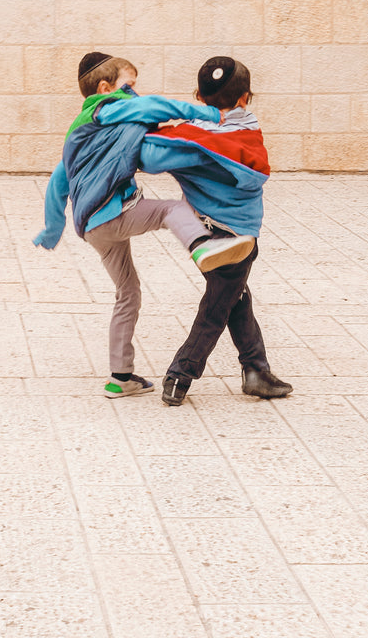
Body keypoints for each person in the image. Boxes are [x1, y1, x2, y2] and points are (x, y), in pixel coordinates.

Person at [33, 51, 255, 398]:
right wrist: (206, 113)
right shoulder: (109, 107)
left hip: (93, 228)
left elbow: (57, 183)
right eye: (130, 85)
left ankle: (120, 378)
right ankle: (203, 245)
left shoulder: (79, 133)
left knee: (127, 293)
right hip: (116, 212)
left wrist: (51, 230)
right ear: (106, 88)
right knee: (169, 210)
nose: (134, 92)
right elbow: (151, 107)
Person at [137, 55, 293, 407]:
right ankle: (181, 375)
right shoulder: (248, 130)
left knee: (234, 295)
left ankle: (256, 370)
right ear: (245, 98)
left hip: (202, 237)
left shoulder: (191, 139)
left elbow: (149, 157)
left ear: (198, 95)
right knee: (217, 306)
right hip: (238, 239)